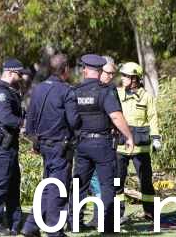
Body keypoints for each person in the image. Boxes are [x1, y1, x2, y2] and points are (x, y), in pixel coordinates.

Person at [68, 54, 134, 232]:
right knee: (107, 185)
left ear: (85, 70)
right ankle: (107, 225)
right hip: (102, 144)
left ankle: (74, 222)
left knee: (79, 184)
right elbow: (115, 116)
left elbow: (71, 120)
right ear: (99, 71)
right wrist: (128, 136)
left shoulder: (75, 91)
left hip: (82, 144)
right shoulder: (105, 91)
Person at [21, 54, 77, 237]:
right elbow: (73, 121)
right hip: (59, 145)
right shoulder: (66, 91)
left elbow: (30, 118)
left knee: (47, 185)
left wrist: (34, 140)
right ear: (65, 69)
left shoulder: (38, 89)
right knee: (57, 188)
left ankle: (31, 226)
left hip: (43, 144)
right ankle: (54, 230)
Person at [0, 58, 31, 235]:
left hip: (7, 144)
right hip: (2, 144)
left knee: (12, 184)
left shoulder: (2, 91)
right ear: (11, 72)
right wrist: (24, 123)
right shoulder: (1, 93)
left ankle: (15, 223)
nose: (20, 78)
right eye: (19, 74)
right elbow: (5, 118)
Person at [115, 62, 161, 220]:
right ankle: (117, 214)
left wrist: (156, 138)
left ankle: (151, 213)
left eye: (125, 76)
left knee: (146, 182)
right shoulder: (117, 94)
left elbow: (153, 118)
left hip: (141, 147)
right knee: (117, 181)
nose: (122, 78)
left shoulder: (147, 97)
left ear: (134, 78)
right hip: (120, 146)